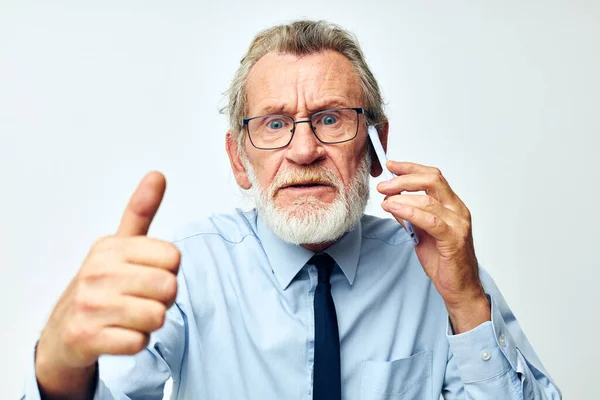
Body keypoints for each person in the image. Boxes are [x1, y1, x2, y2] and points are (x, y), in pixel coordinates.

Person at [24, 20, 561, 399]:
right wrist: (59, 368)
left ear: (375, 145)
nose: (304, 151)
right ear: (240, 159)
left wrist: (467, 302)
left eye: (330, 119)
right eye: (275, 124)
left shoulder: (438, 271)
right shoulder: (186, 273)